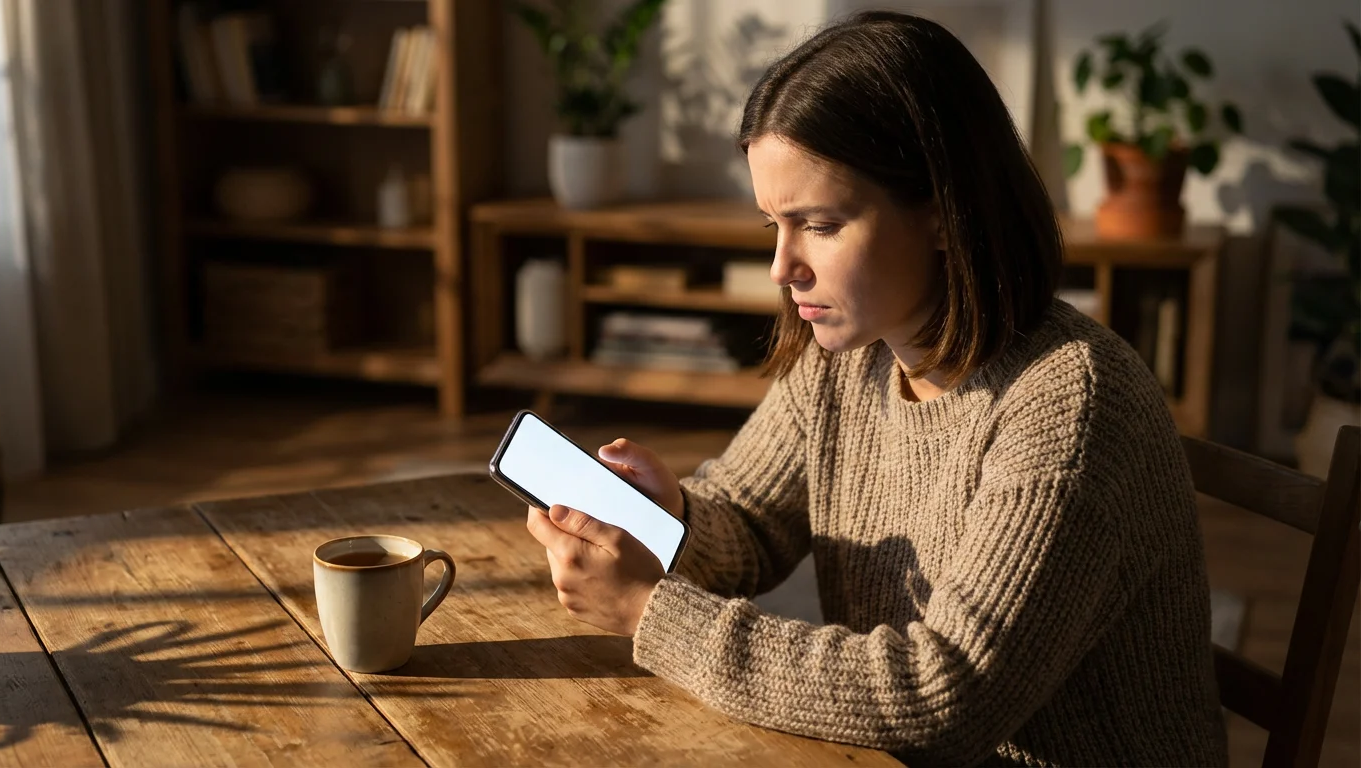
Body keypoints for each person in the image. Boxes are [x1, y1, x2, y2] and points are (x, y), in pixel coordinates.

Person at [524, 11, 1226, 766]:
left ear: (942, 215)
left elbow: (943, 698)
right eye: (774, 226)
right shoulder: (850, 359)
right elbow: (750, 523)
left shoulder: (1070, 409)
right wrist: (670, 518)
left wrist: (650, 612)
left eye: (819, 225)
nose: (782, 267)